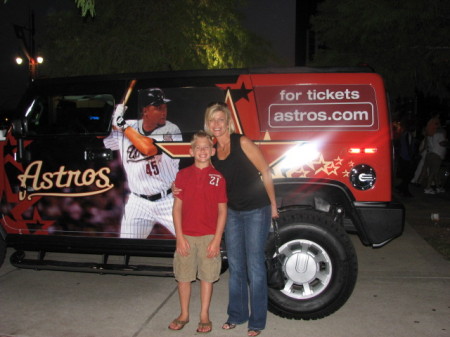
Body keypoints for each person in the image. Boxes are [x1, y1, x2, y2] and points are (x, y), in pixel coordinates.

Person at [204, 102, 279, 337]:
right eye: (212, 120)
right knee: (236, 266)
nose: (216, 124)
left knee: (255, 265)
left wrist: (274, 205)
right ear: (208, 124)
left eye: (220, 120)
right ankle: (237, 314)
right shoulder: (214, 151)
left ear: (228, 122)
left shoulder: (242, 142)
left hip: (257, 209)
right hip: (233, 213)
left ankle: (257, 321)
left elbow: (265, 170)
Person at [168, 131, 227, 333]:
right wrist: (179, 238)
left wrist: (217, 239)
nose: (202, 151)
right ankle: (184, 313)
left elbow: (222, 210)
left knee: (207, 277)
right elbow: (176, 208)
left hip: (209, 237)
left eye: (206, 147)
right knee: (183, 277)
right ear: (191, 151)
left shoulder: (218, 178)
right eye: (198, 147)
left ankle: (204, 314)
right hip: (186, 236)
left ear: (212, 150)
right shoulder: (182, 176)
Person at [103, 88, 182, 238]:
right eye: (158, 107)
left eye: (164, 106)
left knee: (191, 242)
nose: (163, 111)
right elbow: (106, 140)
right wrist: (114, 119)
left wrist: (123, 126)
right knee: (125, 248)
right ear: (145, 111)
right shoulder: (130, 126)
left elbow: (148, 149)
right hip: (138, 201)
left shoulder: (171, 129)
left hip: (167, 199)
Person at [423, 119, 448, 194]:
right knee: (433, 172)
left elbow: (426, 145)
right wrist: (447, 142)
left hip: (430, 154)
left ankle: (438, 187)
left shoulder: (430, 135)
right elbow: (442, 144)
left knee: (435, 172)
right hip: (437, 155)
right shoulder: (439, 134)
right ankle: (427, 188)